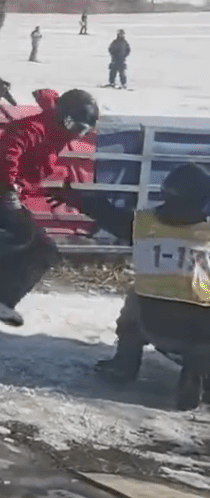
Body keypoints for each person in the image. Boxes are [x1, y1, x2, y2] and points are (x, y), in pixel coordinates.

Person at [71, 165, 210, 404]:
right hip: (201, 332)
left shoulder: (142, 224)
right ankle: (196, 373)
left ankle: (124, 364)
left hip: (152, 323)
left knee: (136, 295)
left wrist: (78, 199)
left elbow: (107, 213)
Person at [0, 88, 99, 325]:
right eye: (75, 127)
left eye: (83, 130)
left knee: (28, 239)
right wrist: (7, 190)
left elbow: (31, 171)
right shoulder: (34, 129)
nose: (77, 135)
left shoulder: (55, 133)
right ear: (64, 117)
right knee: (41, 247)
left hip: (2, 195)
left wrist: (49, 191)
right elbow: (8, 155)